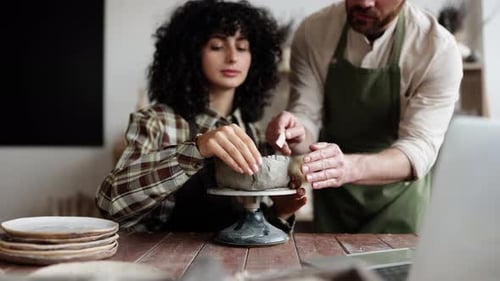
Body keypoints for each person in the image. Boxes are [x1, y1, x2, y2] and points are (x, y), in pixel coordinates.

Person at [96, 0, 306, 232]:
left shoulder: (252, 132)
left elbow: (252, 228)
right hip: (164, 263)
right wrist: (196, 150)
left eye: (242, 47)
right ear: (191, 53)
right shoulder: (156, 121)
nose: (232, 57)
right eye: (217, 46)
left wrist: (280, 212)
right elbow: (109, 204)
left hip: (234, 265)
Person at [266, 0, 463, 233]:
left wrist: (349, 168)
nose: (364, 2)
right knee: (330, 268)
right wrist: (294, 133)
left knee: (392, 270)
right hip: (334, 200)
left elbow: (419, 147)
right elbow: (306, 115)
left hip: (398, 199)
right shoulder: (314, 32)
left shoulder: (436, 49)